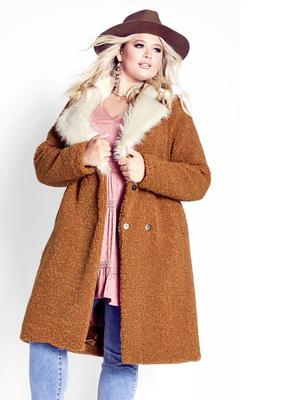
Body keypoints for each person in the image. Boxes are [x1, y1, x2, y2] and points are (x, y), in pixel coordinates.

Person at [20, 9, 211, 400]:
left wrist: (148, 170)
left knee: (121, 354)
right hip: (79, 241)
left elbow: (199, 179)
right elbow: (43, 164)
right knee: (46, 335)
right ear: (120, 51)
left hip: (138, 251)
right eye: (140, 45)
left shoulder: (171, 111)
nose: (148, 55)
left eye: (157, 50)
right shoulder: (82, 103)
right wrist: (82, 156)